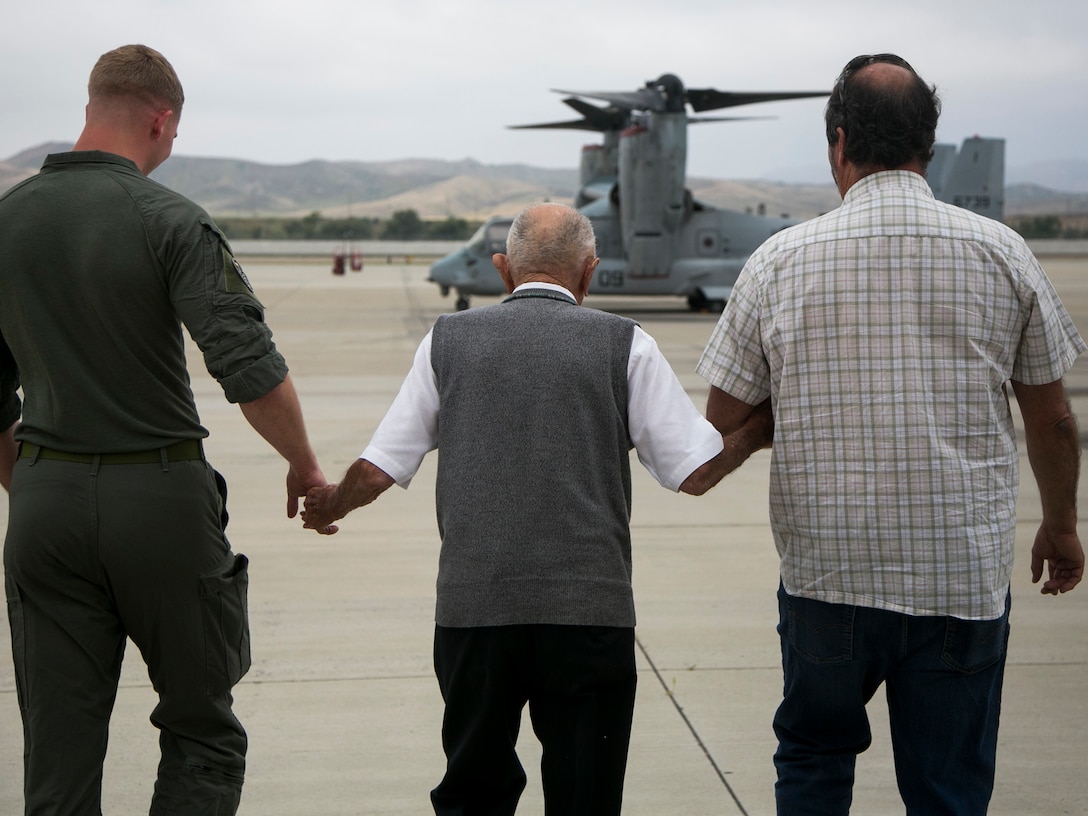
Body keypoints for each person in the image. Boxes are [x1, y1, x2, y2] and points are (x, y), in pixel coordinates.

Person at [696, 53, 1085, 815]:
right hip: (958, 581)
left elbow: (719, 426)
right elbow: (1053, 418)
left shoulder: (778, 260)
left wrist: (784, 414)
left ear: (839, 143)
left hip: (827, 578)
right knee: (947, 788)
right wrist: (1063, 525)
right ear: (928, 143)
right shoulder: (1002, 252)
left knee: (813, 758)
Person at [301, 202, 772, 815]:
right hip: (588, 616)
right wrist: (760, 426)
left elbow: (378, 469)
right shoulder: (625, 344)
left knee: (474, 794)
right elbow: (696, 472)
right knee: (585, 798)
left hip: (475, 612)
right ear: (590, 271)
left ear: (503, 270)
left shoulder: (447, 341)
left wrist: (327, 504)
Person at [0, 45, 329, 815]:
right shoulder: (169, 218)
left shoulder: (6, 219)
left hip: (42, 502)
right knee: (202, 732)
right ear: (161, 119)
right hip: (158, 501)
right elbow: (248, 365)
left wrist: (34, 479)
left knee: (58, 752)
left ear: (90, 110)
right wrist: (305, 465)